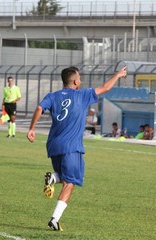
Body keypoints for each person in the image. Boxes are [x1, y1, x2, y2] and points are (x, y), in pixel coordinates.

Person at [27, 65, 127, 231]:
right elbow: (105, 87)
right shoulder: (82, 95)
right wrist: (118, 74)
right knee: (71, 182)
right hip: (71, 146)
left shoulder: (52, 96)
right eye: (79, 78)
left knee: (66, 178)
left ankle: (53, 178)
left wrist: (32, 128)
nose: (81, 80)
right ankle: (54, 218)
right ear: (75, 81)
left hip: (53, 145)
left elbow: (39, 108)